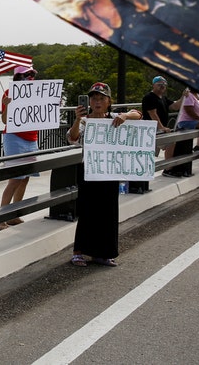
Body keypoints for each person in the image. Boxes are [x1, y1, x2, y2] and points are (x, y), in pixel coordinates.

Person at [66, 82, 141, 267]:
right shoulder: (85, 120)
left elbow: (138, 114)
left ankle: (104, 253)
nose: (97, 102)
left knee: (108, 211)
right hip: (89, 171)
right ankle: (79, 252)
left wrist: (125, 115)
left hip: (110, 170)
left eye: (101, 99)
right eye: (94, 98)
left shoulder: (115, 117)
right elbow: (72, 138)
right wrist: (77, 119)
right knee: (87, 211)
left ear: (109, 102)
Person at [0, 64, 40, 230]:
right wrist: (7, 105)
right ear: (18, 78)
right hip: (14, 138)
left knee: (25, 178)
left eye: (31, 75)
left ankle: (14, 215)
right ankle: (0, 218)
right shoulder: (9, 93)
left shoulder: (36, 93)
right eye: (26, 75)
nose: (30, 78)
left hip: (32, 138)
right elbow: (5, 121)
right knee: (15, 178)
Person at [142, 76, 185, 179]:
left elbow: (175, 106)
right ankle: (168, 169)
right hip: (151, 130)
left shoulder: (164, 98)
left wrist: (183, 96)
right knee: (171, 142)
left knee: (173, 141)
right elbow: (153, 114)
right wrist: (162, 127)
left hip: (159, 130)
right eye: (159, 84)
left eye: (164, 85)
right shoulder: (149, 97)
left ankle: (170, 167)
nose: (162, 87)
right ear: (153, 85)